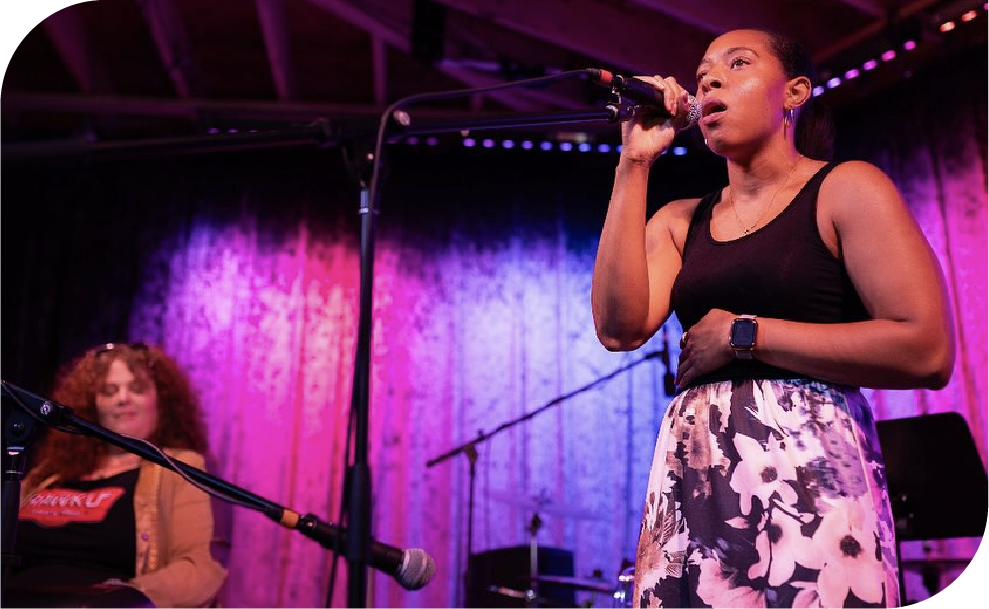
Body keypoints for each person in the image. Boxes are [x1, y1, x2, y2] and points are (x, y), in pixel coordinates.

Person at [591, 29, 954, 609]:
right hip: (698, 477)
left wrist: (745, 336)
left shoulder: (845, 188)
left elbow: (926, 349)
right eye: (703, 70)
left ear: (795, 93)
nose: (708, 79)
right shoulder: (682, 221)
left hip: (807, 472)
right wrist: (633, 163)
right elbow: (618, 327)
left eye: (737, 64)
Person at [13, 342, 227, 609]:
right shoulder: (48, 474)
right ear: (94, 406)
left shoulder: (179, 467)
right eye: (109, 391)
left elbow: (198, 570)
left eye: (136, 388)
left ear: (161, 400)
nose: (122, 398)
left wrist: (124, 598)